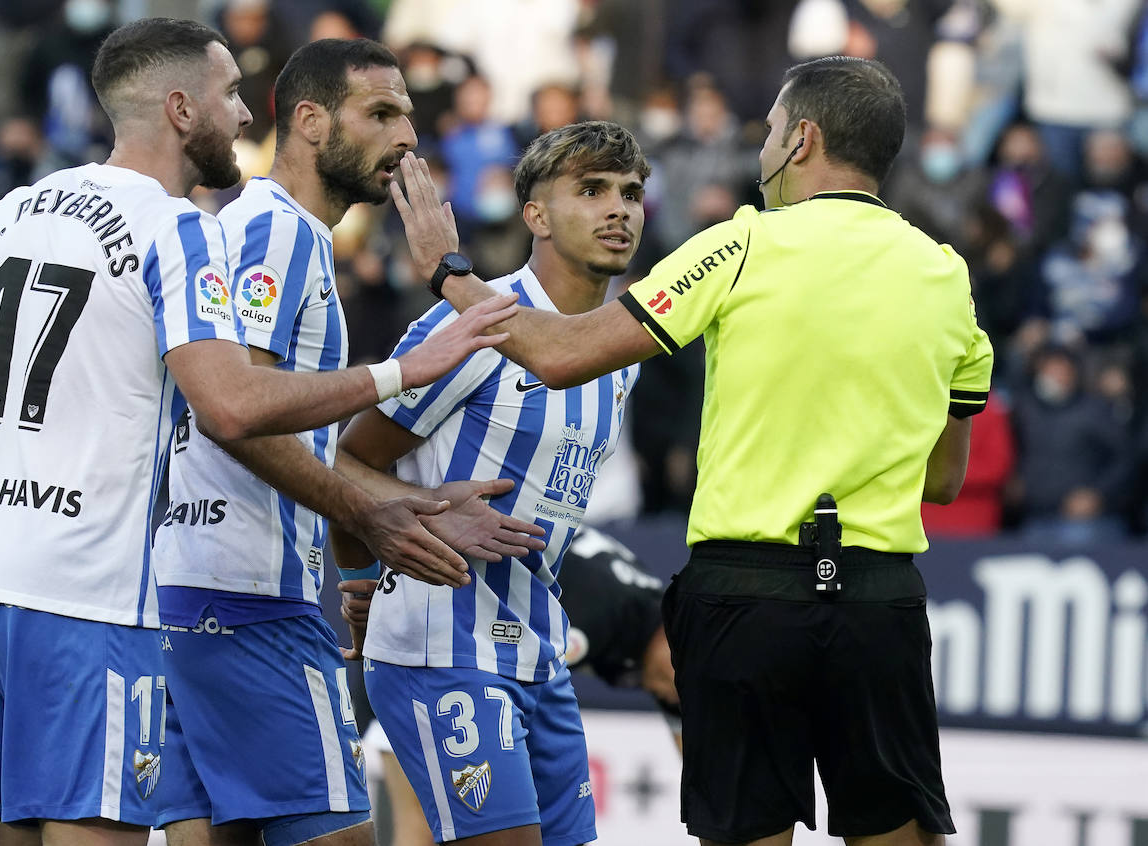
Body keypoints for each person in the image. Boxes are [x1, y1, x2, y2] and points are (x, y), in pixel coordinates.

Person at [0, 18, 520, 846]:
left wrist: (9, 485)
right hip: (121, 597)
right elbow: (232, 410)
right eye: (229, 96)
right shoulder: (195, 229)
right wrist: (404, 377)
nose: (245, 116)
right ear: (183, 110)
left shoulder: (17, 205)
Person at [394, 56, 993, 846]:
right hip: (877, 598)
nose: (761, 153)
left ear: (802, 139)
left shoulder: (739, 245)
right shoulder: (945, 274)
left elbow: (562, 352)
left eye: (772, 133)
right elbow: (945, 480)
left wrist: (449, 273)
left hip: (745, 593)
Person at [151, 38, 545, 846]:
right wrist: (395, 399)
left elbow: (289, 432)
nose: (407, 136)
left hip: (193, 596)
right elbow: (242, 416)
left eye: (407, 113)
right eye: (381, 113)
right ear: (310, 121)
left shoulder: (270, 232)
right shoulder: (280, 233)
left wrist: (417, 505)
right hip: (249, 602)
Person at [331, 119, 651, 846]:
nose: (618, 209)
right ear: (534, 213)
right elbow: (344, 463)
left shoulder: (618, 354)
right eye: (592, 189)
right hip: (444, 653)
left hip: (542, 654)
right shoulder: (467, 326)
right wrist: (366, 568)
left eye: (631, 193)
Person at [343, 524, 682, 846]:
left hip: (465, 639)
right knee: (419, 824)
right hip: (425, 645)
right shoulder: (603, 617)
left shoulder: (659, 634)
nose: (673, 694)